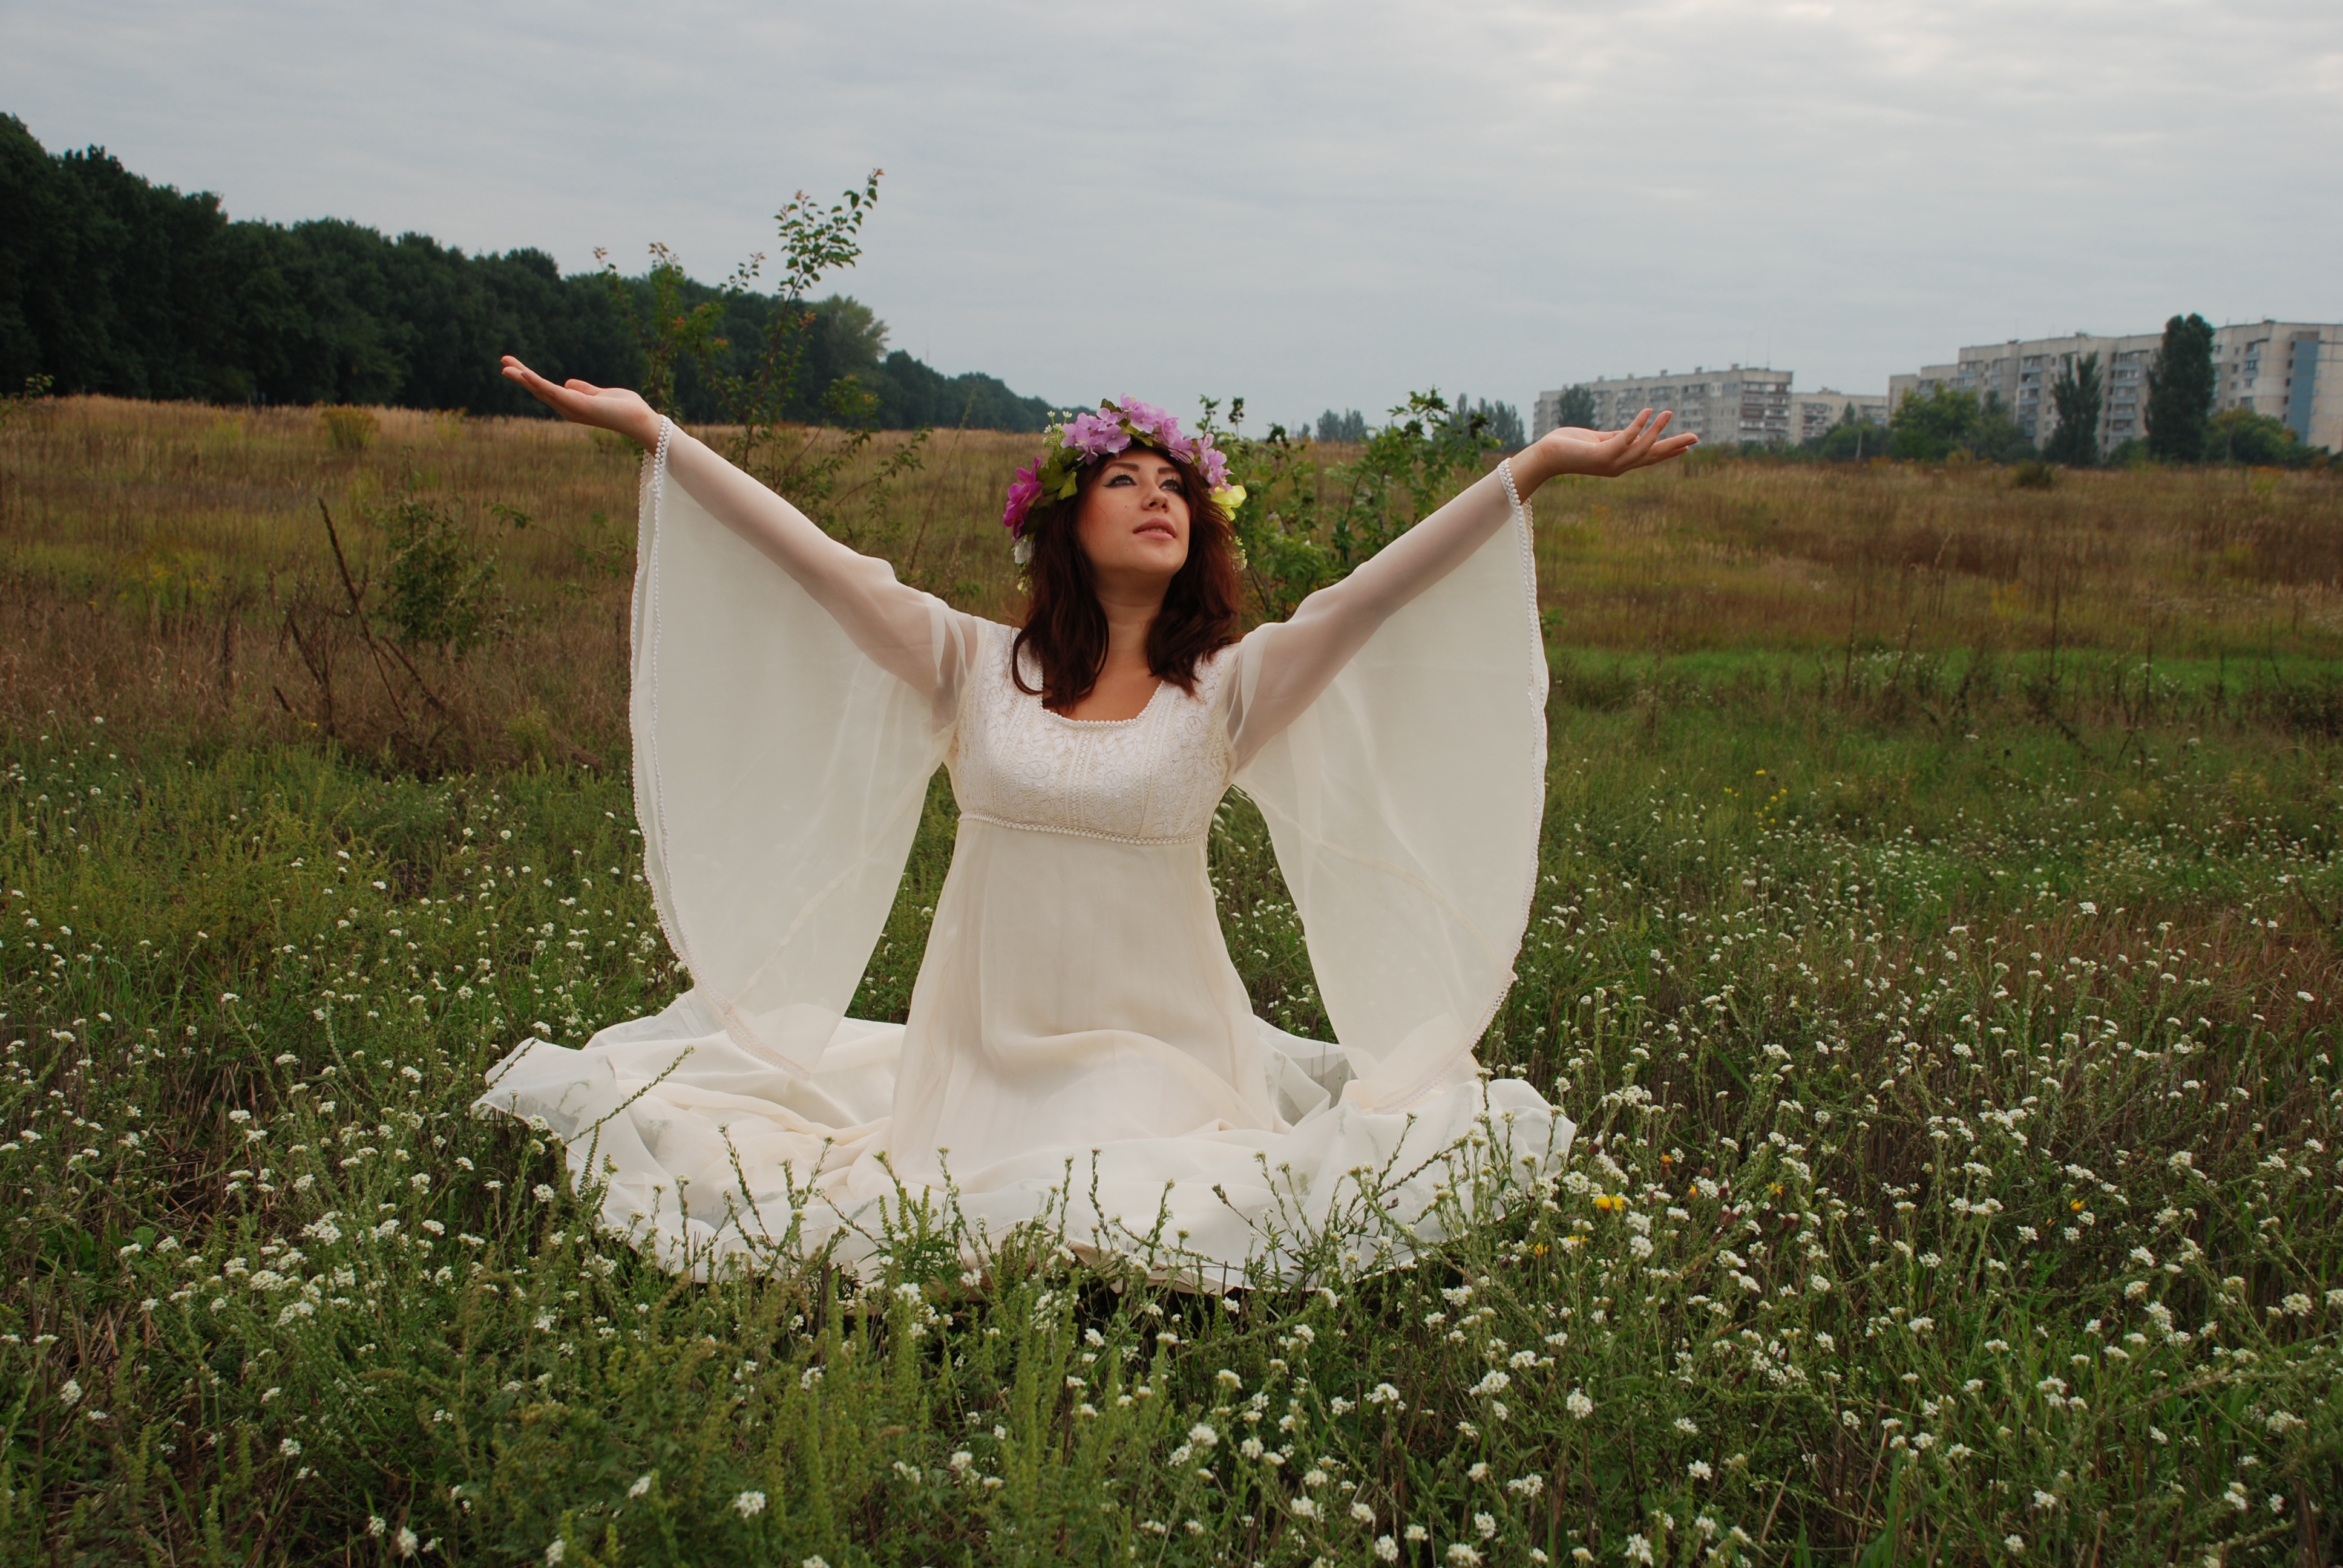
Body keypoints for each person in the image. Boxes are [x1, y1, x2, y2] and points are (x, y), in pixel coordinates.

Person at [480, 357, 1694, 1285]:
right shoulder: (970, 662)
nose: (1158, 499)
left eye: (1176, 489)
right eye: (1126, 481)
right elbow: (821, 564)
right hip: (981, 1049)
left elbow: (1374, 591)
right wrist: (658, 436)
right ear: (1064, 522)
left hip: (1156, 1051)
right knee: (988, 1193)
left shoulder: (1231, 686)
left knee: (1110, 1188)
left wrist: (1530, 469)